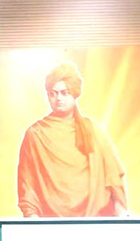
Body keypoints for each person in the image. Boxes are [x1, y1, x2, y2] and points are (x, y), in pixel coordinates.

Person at [17, 61, 127, 217]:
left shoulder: (92, 131)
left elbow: (113, 179)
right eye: (53, 94)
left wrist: (121, 221)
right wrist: (33, 221)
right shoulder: (36, 134)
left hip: (94, 221)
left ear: (74, 94)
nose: (58, 98)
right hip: (49, 224)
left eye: (64, 93)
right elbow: (27, 184)